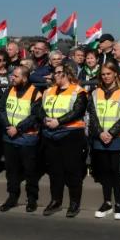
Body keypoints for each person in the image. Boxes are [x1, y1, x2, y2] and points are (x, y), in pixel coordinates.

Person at [41, 64, 88, 218]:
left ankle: (74, 203)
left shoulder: (78, 91)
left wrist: (58, 121)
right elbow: (40, 110)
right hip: (51, 134)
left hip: (71, 134)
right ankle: (56, 201)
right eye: (54, 73)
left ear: (67, 74)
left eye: (59, 72)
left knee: (72, 170)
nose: (55, 75)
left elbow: (78, 111)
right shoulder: (48, 91)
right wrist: (45, 119)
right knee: (55, 171)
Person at [87, 62, 120, 220]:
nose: (106, 76)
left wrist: (111, 133)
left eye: (108, 73)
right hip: (100, 138)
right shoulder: (95, 93)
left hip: (117, 138)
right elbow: (92, 116)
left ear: (115, 74)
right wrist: (100, 133)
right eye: (103, 74)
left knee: (116, 171)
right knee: (104, 171)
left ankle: (118, 204)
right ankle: (107, 202)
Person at [0, 66, 42, 212]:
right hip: (9, 136)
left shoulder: (35, 93)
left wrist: (18, 128)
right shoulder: (9, 89)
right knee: (11, 170)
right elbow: (1, 110)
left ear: (24, 78)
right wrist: (8, 126)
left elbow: (35, 116)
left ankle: (32, 199)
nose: (12, 78)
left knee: (30, 171)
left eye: (16, 76)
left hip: (27, 138)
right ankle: (12, 197)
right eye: (12, 75)